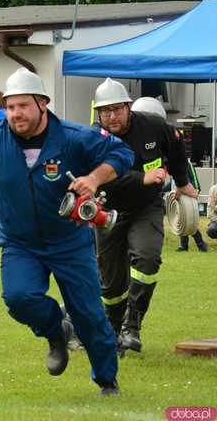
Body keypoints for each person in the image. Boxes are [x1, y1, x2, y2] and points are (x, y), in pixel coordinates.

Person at [0, 68, 133, 396]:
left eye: (23, 106)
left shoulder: (75, 136)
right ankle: (55, 330)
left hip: (69, 240)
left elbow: (122, 154)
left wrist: (93, 179)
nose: (16, 113)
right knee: (18, 298)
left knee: (89, 315)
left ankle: (107, 380)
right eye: (11, 106)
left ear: (43, 104)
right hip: (20, 241)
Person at [92, 78, 196, 355]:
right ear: (98, 113)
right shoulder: (94, 139)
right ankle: (112, 336)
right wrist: (143, 178)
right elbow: (103, 180)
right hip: (108, 210)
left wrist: (183, 182)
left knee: (147, 258)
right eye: (105, 111)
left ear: (128, 107)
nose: (111, 117)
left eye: (117, 109)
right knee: (111, 285)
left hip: (145, 208)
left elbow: (176, 151)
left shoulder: (154, 125)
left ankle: (132, 325)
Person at [175, 158, 207, 252]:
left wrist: (195, 192)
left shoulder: (187, 164)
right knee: (181, 221)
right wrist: (162, 189)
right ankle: (183, 246)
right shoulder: (174, 166)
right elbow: (174, 183)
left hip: (190, 197)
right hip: (179, 198)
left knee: (191, 223)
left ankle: (201, 245)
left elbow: (196, 182)